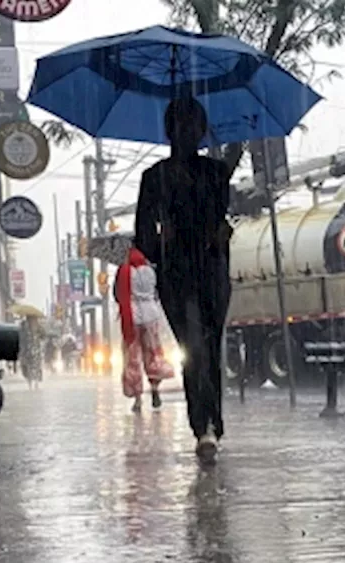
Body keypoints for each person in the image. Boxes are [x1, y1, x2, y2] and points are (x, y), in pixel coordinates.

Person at [135, 97, 232, 461]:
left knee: (210, 346)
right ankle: (202, 425)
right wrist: (163, 242)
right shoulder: (154, 178)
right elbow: (142, 237)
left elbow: (223, 215)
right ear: (169, 131)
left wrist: (221, 232)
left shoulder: (217, 173)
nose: (187, 134)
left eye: (193, 126)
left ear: (202, 130)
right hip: (177, 274)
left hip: (213, 269)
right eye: (180, 126)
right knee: (193, 347)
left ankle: (212, 421)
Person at [116, 246, 174, 412]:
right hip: (151, 316)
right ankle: (155, 388)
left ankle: (138, 399)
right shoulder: (150, 271)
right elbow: (157, 292)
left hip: (132, 318)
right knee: (154, 355)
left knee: (132, 359)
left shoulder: (125, 271)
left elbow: (118, 294)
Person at [19, 316, 44, 389]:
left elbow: (43, 335)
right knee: (32, 366)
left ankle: (32, 383)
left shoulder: (36, 326)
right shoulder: (25, 326)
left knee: (31, 366)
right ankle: (34, 383)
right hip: (31, 349)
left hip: (31, 349)